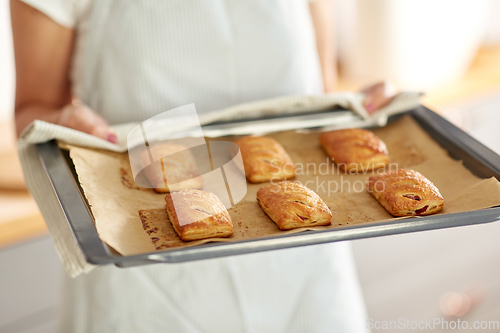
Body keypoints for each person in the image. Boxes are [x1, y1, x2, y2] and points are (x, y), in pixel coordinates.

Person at [11, 0, 394, 332]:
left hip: (307, 270)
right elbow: (32, 109)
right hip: (145, 278)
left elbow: (317, 93)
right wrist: (67, 124)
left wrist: (356, 113)